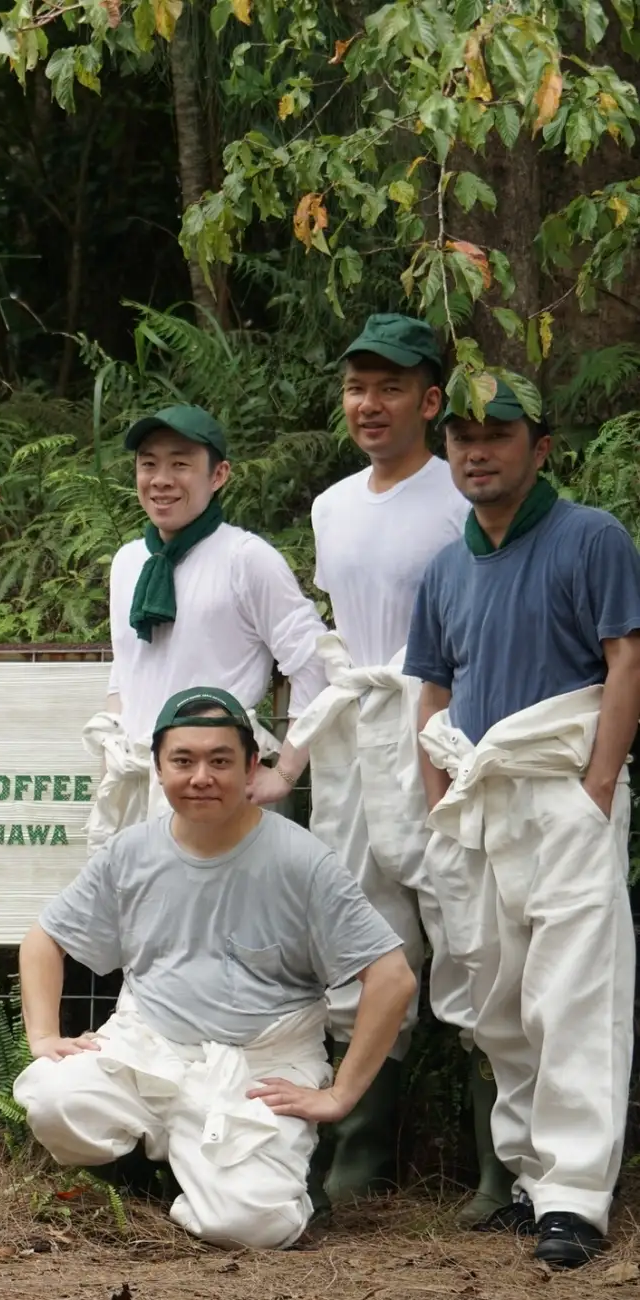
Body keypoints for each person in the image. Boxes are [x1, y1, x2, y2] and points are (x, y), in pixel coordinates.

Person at [15, 687, 413, 1250]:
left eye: (220, 760)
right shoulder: (132, 852)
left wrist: (341, 1095)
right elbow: (44, 938)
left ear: (252, 766)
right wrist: (43, 1036)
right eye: (183, 760)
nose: (201, 776)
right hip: (147, 1045)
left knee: (254, 1226)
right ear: (157, 767)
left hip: (261, 1062)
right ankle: (146, 1178)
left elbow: (392, 977)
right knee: (55, 1097)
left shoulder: (302, 860)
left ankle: (238, 1174)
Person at [407, 381, 640, 1268]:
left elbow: (628, 659)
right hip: (475, 800)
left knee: (574, 992)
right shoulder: (445, 565)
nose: (476, 451)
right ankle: (529, 1178)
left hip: (564, 787)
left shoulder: (591, 536)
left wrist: (599, 785)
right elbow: (430, 688)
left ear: (539, 447)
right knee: (498, 1002)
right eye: (462, 436)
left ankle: (577, 1198)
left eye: (497, 435)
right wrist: (435, 801)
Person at [287, 315, 483, 1213]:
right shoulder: (331, 504)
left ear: (430, 400)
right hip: (355, 732)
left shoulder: (462, 494)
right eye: (358, 387)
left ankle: (500, 1154)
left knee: (470, 921)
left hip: (444, 729)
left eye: (391, 387)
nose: (370, 404)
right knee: (365, 928)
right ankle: (361, 1150)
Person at [86, 405, 329, 847]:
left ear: (218, 476)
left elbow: (314, 661)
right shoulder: (128, 563)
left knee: (227, 914)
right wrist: (110, 760)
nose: (161, 479)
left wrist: (287, 771)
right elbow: (126, 669)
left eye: (180, 464)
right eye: (148, 464)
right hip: (140, 789)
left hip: (217, 787)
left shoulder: (246, 559)